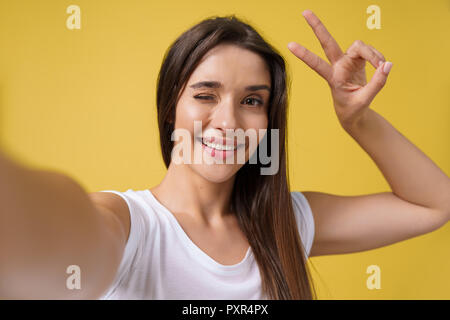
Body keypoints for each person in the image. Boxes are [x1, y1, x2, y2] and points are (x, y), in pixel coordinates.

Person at [0, 10, 448, 300]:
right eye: (205, 95)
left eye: (252, 101)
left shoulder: (285, 223)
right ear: (170, 108)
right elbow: (59, 235)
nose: (229, 122)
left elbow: (434, 204)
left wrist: (357, 120)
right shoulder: (129, 225)